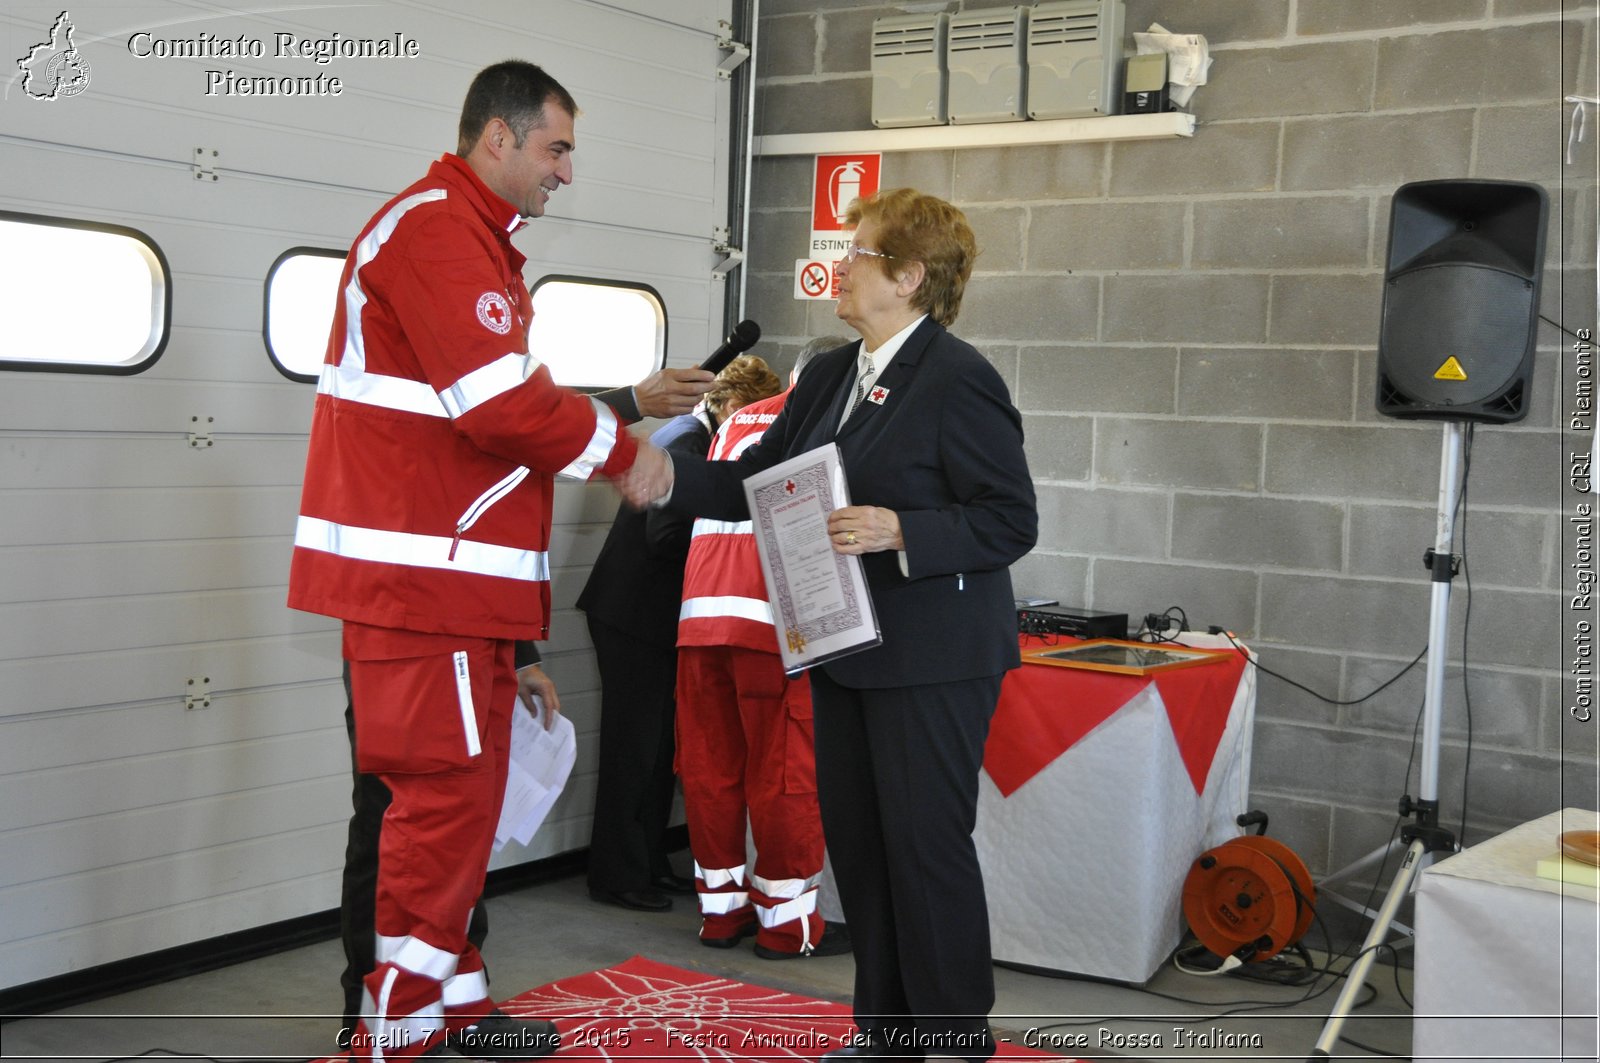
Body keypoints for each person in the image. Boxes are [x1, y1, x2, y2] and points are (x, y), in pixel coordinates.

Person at [288, 60, 711, 1063]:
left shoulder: (475, 242)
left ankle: (454, 1008)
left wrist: (515, 638)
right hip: (417, 589)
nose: (566, 171)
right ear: (499, 138)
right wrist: (627, 457)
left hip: (455, 593)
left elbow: (487, 429)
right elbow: (500, 409)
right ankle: (394, 1024)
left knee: (467, 802)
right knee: (436, 804)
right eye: (556, 148)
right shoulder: (437, 231)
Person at [632, 188, 1037, 1063]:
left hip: (934, 655)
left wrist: (904, 530)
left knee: (925, 849)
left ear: (909, 276)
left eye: (859, 252)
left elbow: (1011, 519)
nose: (841, 267)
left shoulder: (960, 377)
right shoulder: (826, 373)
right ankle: (885, 1035)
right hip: (845, 645)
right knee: (860, 846)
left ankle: (958, 1041)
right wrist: (662, 477)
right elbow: (760, 482)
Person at [577, 354, 783, 913]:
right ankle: (616, 873)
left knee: (660, 745)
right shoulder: (689, 441)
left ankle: (648, 862)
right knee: (634, 748)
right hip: (634, 615)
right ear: (732, 407)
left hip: (655, 615)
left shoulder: (697, 435)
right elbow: (666, 535)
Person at [674, 336, 855, 958]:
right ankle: (788, 925)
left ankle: (720, 914)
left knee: (710, 768)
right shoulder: (825, 420)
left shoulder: (740, 417)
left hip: (701, 616)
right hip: (775, 623)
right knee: (783, 776)